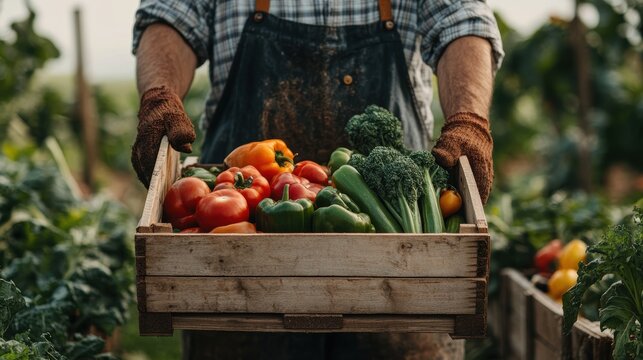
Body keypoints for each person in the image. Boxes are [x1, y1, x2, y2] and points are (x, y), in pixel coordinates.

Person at [131, 0, 503, 358]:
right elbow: (172, 16)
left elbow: (462, 19)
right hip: (235, 278)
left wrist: (469, 120)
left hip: (402, 273)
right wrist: (159, 96)